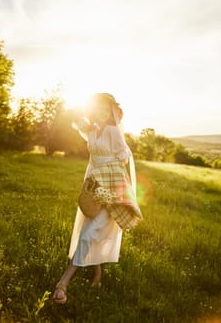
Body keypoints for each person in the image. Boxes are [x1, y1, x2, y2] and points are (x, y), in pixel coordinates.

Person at [52, 93, 142, 304]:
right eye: (97, 109)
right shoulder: (92, 131)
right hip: (94, 185)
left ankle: (62, 283)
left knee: (90, 232)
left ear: (111, 110)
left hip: (110, 188)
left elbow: (124, 155)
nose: (101, 112)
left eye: (105, 109)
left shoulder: (112, 130)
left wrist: (108, 174)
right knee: (93, 227)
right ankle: (97, 272)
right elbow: (79, 126)